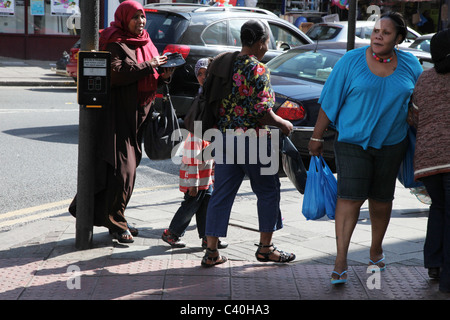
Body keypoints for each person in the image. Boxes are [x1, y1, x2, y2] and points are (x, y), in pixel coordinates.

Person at [308, 12, 423, 284]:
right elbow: (330, 100)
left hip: (393, 143)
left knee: (382, 201)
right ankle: (340, 260)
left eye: (385, 32)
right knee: (349, 198)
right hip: (351, 143)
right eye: (375, 30)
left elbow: (419, 101)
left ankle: (375, 250)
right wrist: (316, 136)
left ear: (398, 38)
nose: (378, 35)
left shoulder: (410, 65)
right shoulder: (351, 61)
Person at [69, 1, 174, 243]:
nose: (141, 22)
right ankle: (116, 222)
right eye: (136, 17)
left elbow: (150, 78)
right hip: (117, 113)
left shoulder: (146, 41)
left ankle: (116, 218)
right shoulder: (114, 41)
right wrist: (150, 66)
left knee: (129, 169)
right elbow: (115, 74)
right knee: (120, 170)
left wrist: (163, 76)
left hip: (140, 114)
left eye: (143, 17)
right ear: (124, 18)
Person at [201, 20, 295, 267]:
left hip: (224, 138)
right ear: (261, 41)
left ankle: (211, 251)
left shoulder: (224, 63)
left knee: (221, 194)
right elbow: (263, 111)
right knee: (267, 191)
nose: (267, 46)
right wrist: (283, 124)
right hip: (254, 140)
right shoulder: (258, 69)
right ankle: (266, 248)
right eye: (267, 41)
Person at [161, 58, 228, 249]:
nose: (203, 77)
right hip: (196, 179)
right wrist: (193, 183)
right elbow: (192, 157)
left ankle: (207, 238)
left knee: (206, 203)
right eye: (200, 73)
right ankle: (172, 233)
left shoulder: (207, 105)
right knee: (191, 204)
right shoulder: (196, 133)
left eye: (206, 73)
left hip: (205, 177)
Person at [411, 29, 450, 293]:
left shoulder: (424, 79)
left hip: (426, 161)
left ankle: (434, 263)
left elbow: (412, 117)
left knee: (439, 208)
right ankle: (447, 280)